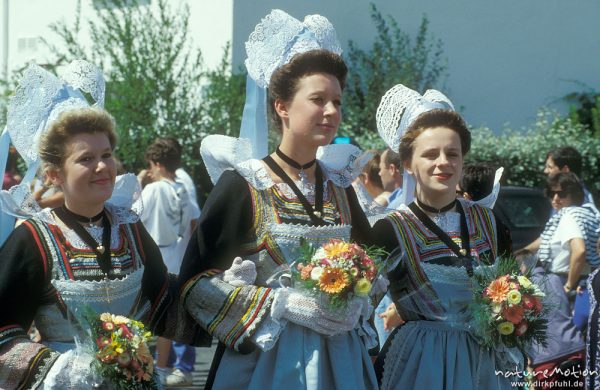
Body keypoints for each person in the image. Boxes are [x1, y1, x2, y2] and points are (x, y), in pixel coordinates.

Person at [178, 10, 377, 390]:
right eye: (318, 99)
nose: (332, 111)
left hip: (341, 359)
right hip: (265, 362)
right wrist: (276, 304)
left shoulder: (341, 186)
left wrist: (359, 300)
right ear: (282, 106)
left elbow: (374, 268)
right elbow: (192, 287)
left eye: (337, 100)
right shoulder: (243, 185)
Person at [0, 62, 195, 389]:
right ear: (54, 174)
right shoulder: (33, 238)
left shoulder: (129, 229)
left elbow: (164, 301)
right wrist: (63, 369)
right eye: (85, 159)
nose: (103, 166)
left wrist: (215, 290)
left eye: (106, 154)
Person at [372, 84, 516, 389]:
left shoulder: (489, 222)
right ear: (408, 164)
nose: (443, 162)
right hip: (420, 363)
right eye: (430, 154)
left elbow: (514, 289)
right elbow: (359, 308)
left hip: (485, 363)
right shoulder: (390, 229)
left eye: (453, 154)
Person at [138, 137, 197, 387]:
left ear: (157, 163)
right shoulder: (182, 188)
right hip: (176, 256)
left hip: (154, 257)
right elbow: (194, 222)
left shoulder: (153, 189)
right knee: (166, 318)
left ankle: (140, 368)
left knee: (140, 316)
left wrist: (139, 184)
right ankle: (161, 369)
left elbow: (133, 215)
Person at [521, 172, 600, 331]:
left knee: (562, 338)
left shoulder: (568, 215)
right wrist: (522, 251)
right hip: (585, 281)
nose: (555, 198)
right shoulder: (584, 213)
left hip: (566, 282)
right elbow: (546, 238)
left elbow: (580, 251)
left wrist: (568, 287)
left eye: (561, 193)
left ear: (574, 194)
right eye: (551, 193)